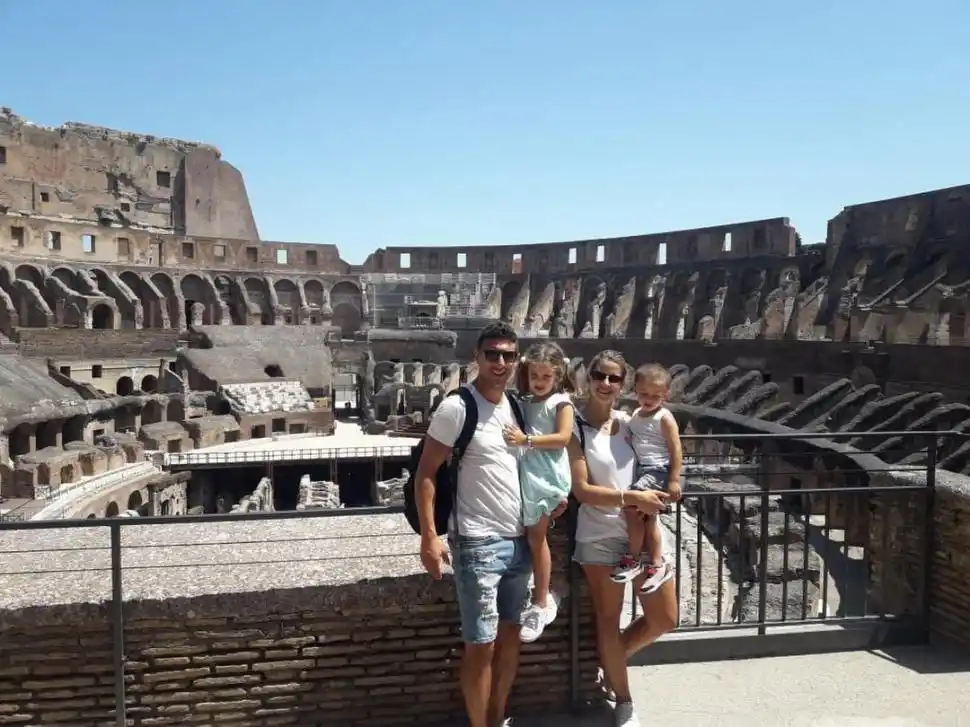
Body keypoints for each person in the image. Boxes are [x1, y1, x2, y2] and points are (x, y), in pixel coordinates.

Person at [414, 321, 566, 727]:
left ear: (516, 361)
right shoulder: (457, 408)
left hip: (519, 542)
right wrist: (430, 537)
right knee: (480, 647)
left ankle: (498, 718)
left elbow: (533, 465)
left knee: (510, 640)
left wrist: (552, 500)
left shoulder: (515, 407)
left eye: (508, 355)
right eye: (492, 354)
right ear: (477, 358)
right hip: (477, 544)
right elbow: (425, 473)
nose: (500, 362)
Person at [568, 350, 678, 727]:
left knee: (665, 618)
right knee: (608, 620)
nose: (606, 383)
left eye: (614, 378)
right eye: (599, 375)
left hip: (642, 533)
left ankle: (609, 661)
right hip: (599, 536)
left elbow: (662, 456)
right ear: (588, 377)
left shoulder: (631, 423)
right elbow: (582, 490)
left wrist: (670, 485)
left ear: (624, 384)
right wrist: (633, 498)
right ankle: (624, 700)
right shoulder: (575, 429)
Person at [502, 341, 575, 643]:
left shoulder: (562, 402)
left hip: (546, 477)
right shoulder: (527, 401)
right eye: (535, 376)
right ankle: (535, 592)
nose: (540, 382)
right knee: (529, 537)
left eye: (546, 376)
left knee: (536, 539)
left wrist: (526, 441)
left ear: (557, 376)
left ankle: (541, 600)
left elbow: (562, 438)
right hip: (529, 476)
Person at [611, 363, 683, 593]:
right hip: (643, 469)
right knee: (648, 517)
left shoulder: (664, 417)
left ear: (665, 395)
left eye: (655, 395)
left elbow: (675, 449)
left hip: (656, 470)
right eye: (643, 394)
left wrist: (674, 480)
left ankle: (634, 558)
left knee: (632, 507)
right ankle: (655, 563)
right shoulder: (636, 414)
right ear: (635, 391)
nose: (648, 399)